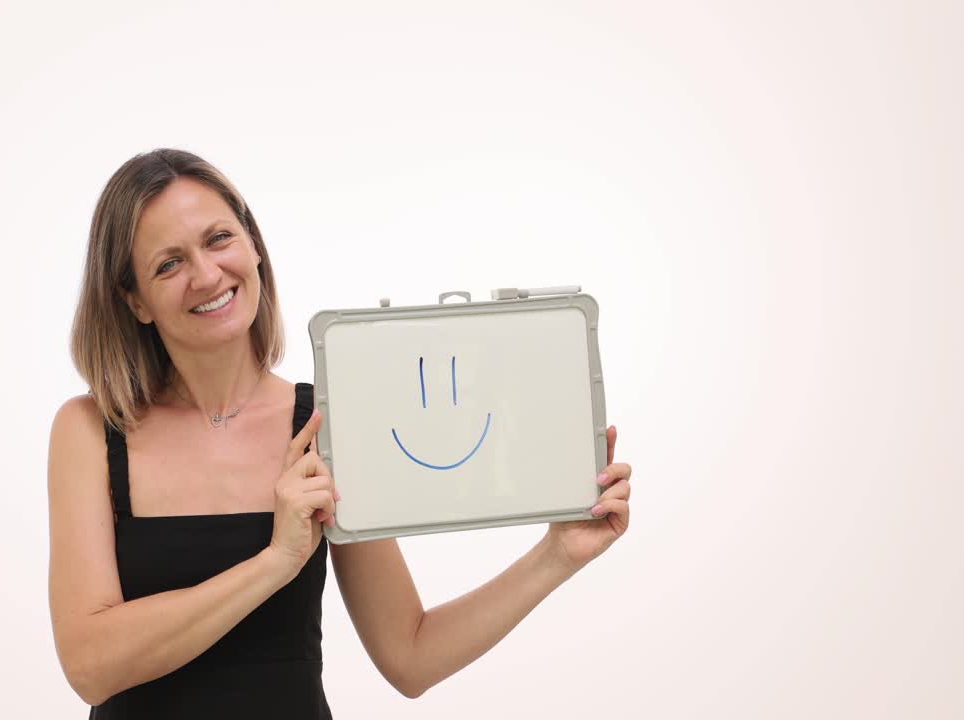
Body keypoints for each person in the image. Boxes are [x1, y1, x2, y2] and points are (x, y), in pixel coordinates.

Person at [46, 148, 634, 717]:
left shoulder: (330, 422)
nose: (206, 274)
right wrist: (275, 562)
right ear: (134, 300)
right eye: (168, 264)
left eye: (218, 238)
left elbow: (410, 655)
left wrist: (557, 555)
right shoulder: (91, 432)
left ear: (253, 247)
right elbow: (91, 667)